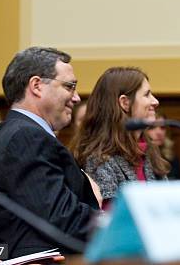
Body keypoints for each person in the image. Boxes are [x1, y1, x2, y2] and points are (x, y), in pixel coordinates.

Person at [0, 47, 101, 258]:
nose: (76, 98)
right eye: (69, 87)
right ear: (37, 86)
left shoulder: (20, 132)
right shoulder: (25, 137)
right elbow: (64, 220)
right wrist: (121, 226)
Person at [71, 67, 170, 205]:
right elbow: (110, 220)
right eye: (147, 95)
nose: (155, 102)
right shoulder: (98, 161)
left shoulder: (147, 151)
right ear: (125, 102)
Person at [147, 111, 180, 179]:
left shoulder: (172, 159)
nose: (159, 132)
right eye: (152, 127)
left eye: (162, 127)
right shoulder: (139, 159)